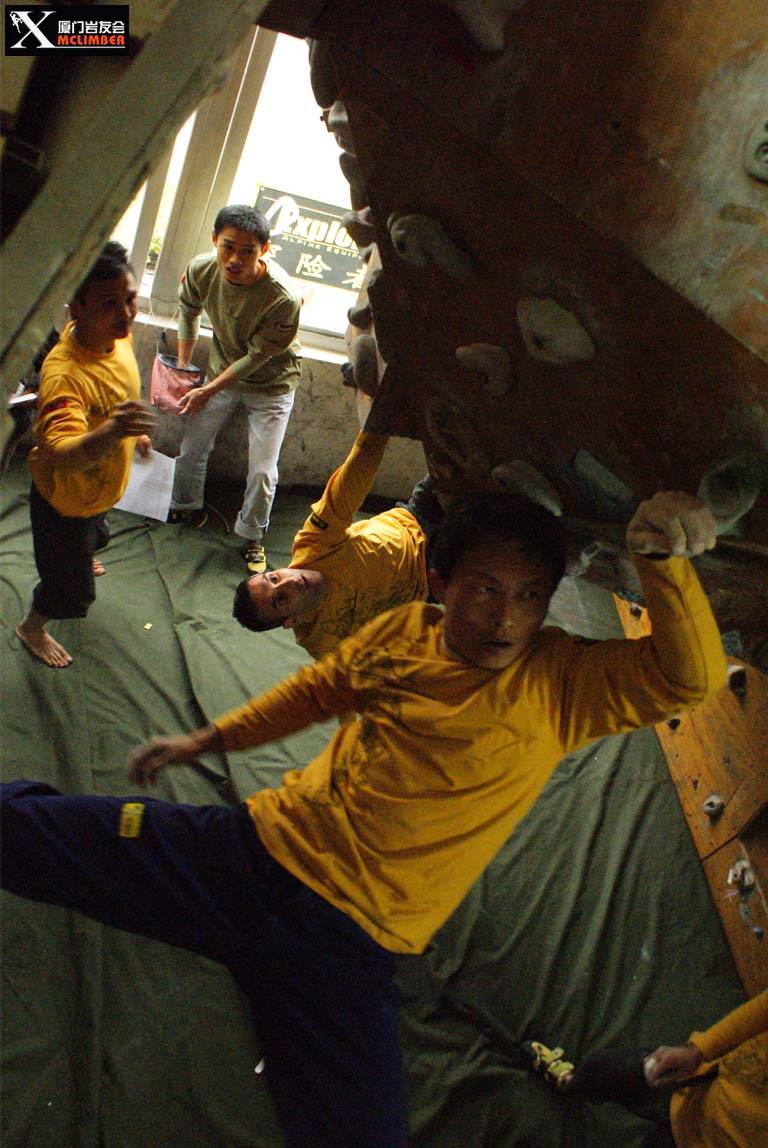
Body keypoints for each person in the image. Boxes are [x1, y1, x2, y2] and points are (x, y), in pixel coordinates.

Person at [1, 488, 727, 1147]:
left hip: (345, 948)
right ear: (441, 584)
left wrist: (662, 565)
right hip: (254, 854)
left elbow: (685, 678)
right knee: (45, 834)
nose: (507, 618)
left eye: (530, 595)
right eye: (485, 589)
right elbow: (319, 692)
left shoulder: (563, 682)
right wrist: (210, 739)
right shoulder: (406, 630)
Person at [14, 242, 154, 668]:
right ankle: (31, 627)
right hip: (64, 503)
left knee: (98, 537)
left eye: (130, 299)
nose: (126, 314)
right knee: (72, 593)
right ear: (76, 307)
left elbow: (118, 394)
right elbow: (59, 453)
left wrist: (131, 432)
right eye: (109, 304)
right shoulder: (65, 375)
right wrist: (115, 431)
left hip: (97, 494)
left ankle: (79, 555)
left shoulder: (116, 338)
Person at [168, 204, 302, 575]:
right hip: (219, 373)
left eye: (247, 251)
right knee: (191, 447)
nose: (234, 259)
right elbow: (188, 310)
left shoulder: (282, 298)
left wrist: (207, 390)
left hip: (271, 385)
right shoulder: (201, 270)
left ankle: (252, 536)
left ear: (265, 250)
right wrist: (183, 366)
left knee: (262, 471)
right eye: (227, 246)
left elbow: (257, 357)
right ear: (214, 239)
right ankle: (184, 503)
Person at [231, 428, 443, 659]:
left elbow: (351, 482)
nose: (290, 581)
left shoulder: (314, 542)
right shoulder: (324, 643)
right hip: (435, 578)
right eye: (281, 599)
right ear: (291, 621)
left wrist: (376, 429)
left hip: (417, 516)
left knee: (461, 454)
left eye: (274, 578)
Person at [521, 991, 768, 1147]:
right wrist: (697, 1050)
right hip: (696, 1084)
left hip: (693, 1142)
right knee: (604, 1067)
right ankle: (570, 1083)